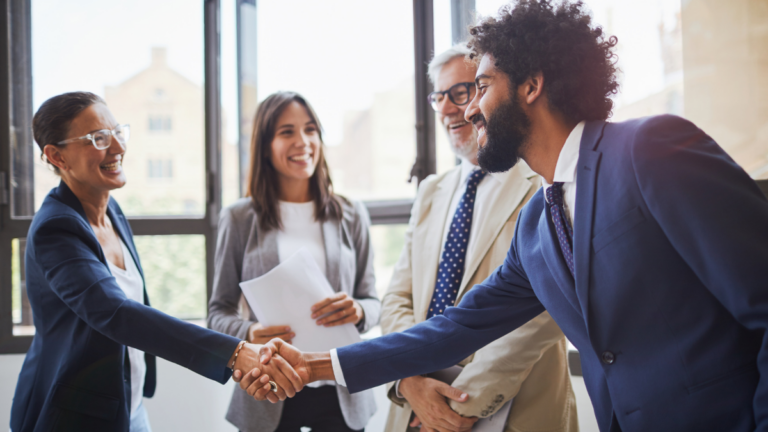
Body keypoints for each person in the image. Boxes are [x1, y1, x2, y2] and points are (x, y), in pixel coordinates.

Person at [237, 1, 768, 431]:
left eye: (482, 86)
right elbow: (453, 329)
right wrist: (313, 366)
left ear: (531, 85)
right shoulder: (538, 222)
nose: (468, 110)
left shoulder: (649, 148)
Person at [10, 92, 299, 432]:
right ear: (57, 156)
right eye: (98, 139)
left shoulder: (110, 211)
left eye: (118, 132)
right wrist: (234, 352)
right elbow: (116, 313)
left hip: (125, 405)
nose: (117, 147)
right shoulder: (55, 230)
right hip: (74, 414)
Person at [380, 44, 577, 432]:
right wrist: (409, 381)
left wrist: (462, 404)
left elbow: (545, 311)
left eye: (462, 91)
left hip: (514, 412)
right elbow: (397, 299)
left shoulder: (541, 178)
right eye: (439, 97)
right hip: (417, 411)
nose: (449, 109)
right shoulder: (431, 192)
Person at [208, 91, 380, 432]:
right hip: (268, 387)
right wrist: (249, 331)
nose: (303, 141)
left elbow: (373, 300)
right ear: (266, 146)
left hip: (339, 386)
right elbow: (217, 313)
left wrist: (359, 312)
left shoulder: (351, 213)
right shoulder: (240, 218)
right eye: (287, 132)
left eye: (310, 129)